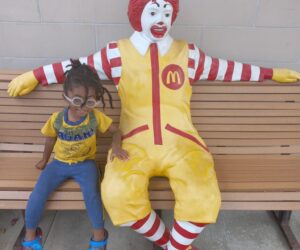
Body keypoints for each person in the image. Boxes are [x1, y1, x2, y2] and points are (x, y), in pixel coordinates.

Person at [8, 1, 300, 249]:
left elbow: (231, 69)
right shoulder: (116, 53)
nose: (160, 19)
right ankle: (171, 244)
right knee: (117, 194)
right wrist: (36, 75)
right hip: (133, 142)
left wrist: (271, 73)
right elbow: (76, 67)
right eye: (152, 11)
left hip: (183, 142)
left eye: (166, 12)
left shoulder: (189, 54)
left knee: (203, 193)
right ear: (137, 14)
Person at [21, 60, 128, 250]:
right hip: (59, 164)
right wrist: (44, 160)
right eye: (78, 100)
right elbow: (49, 140)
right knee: (38, 193)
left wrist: (116, 145)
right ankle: (30, 237)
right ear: (66, 97)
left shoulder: (95, 117)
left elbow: (116, 130)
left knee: (92, 195)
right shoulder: (57, 119)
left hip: (85, 164)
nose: (84, 106)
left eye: (91, 101)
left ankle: (99, 238)